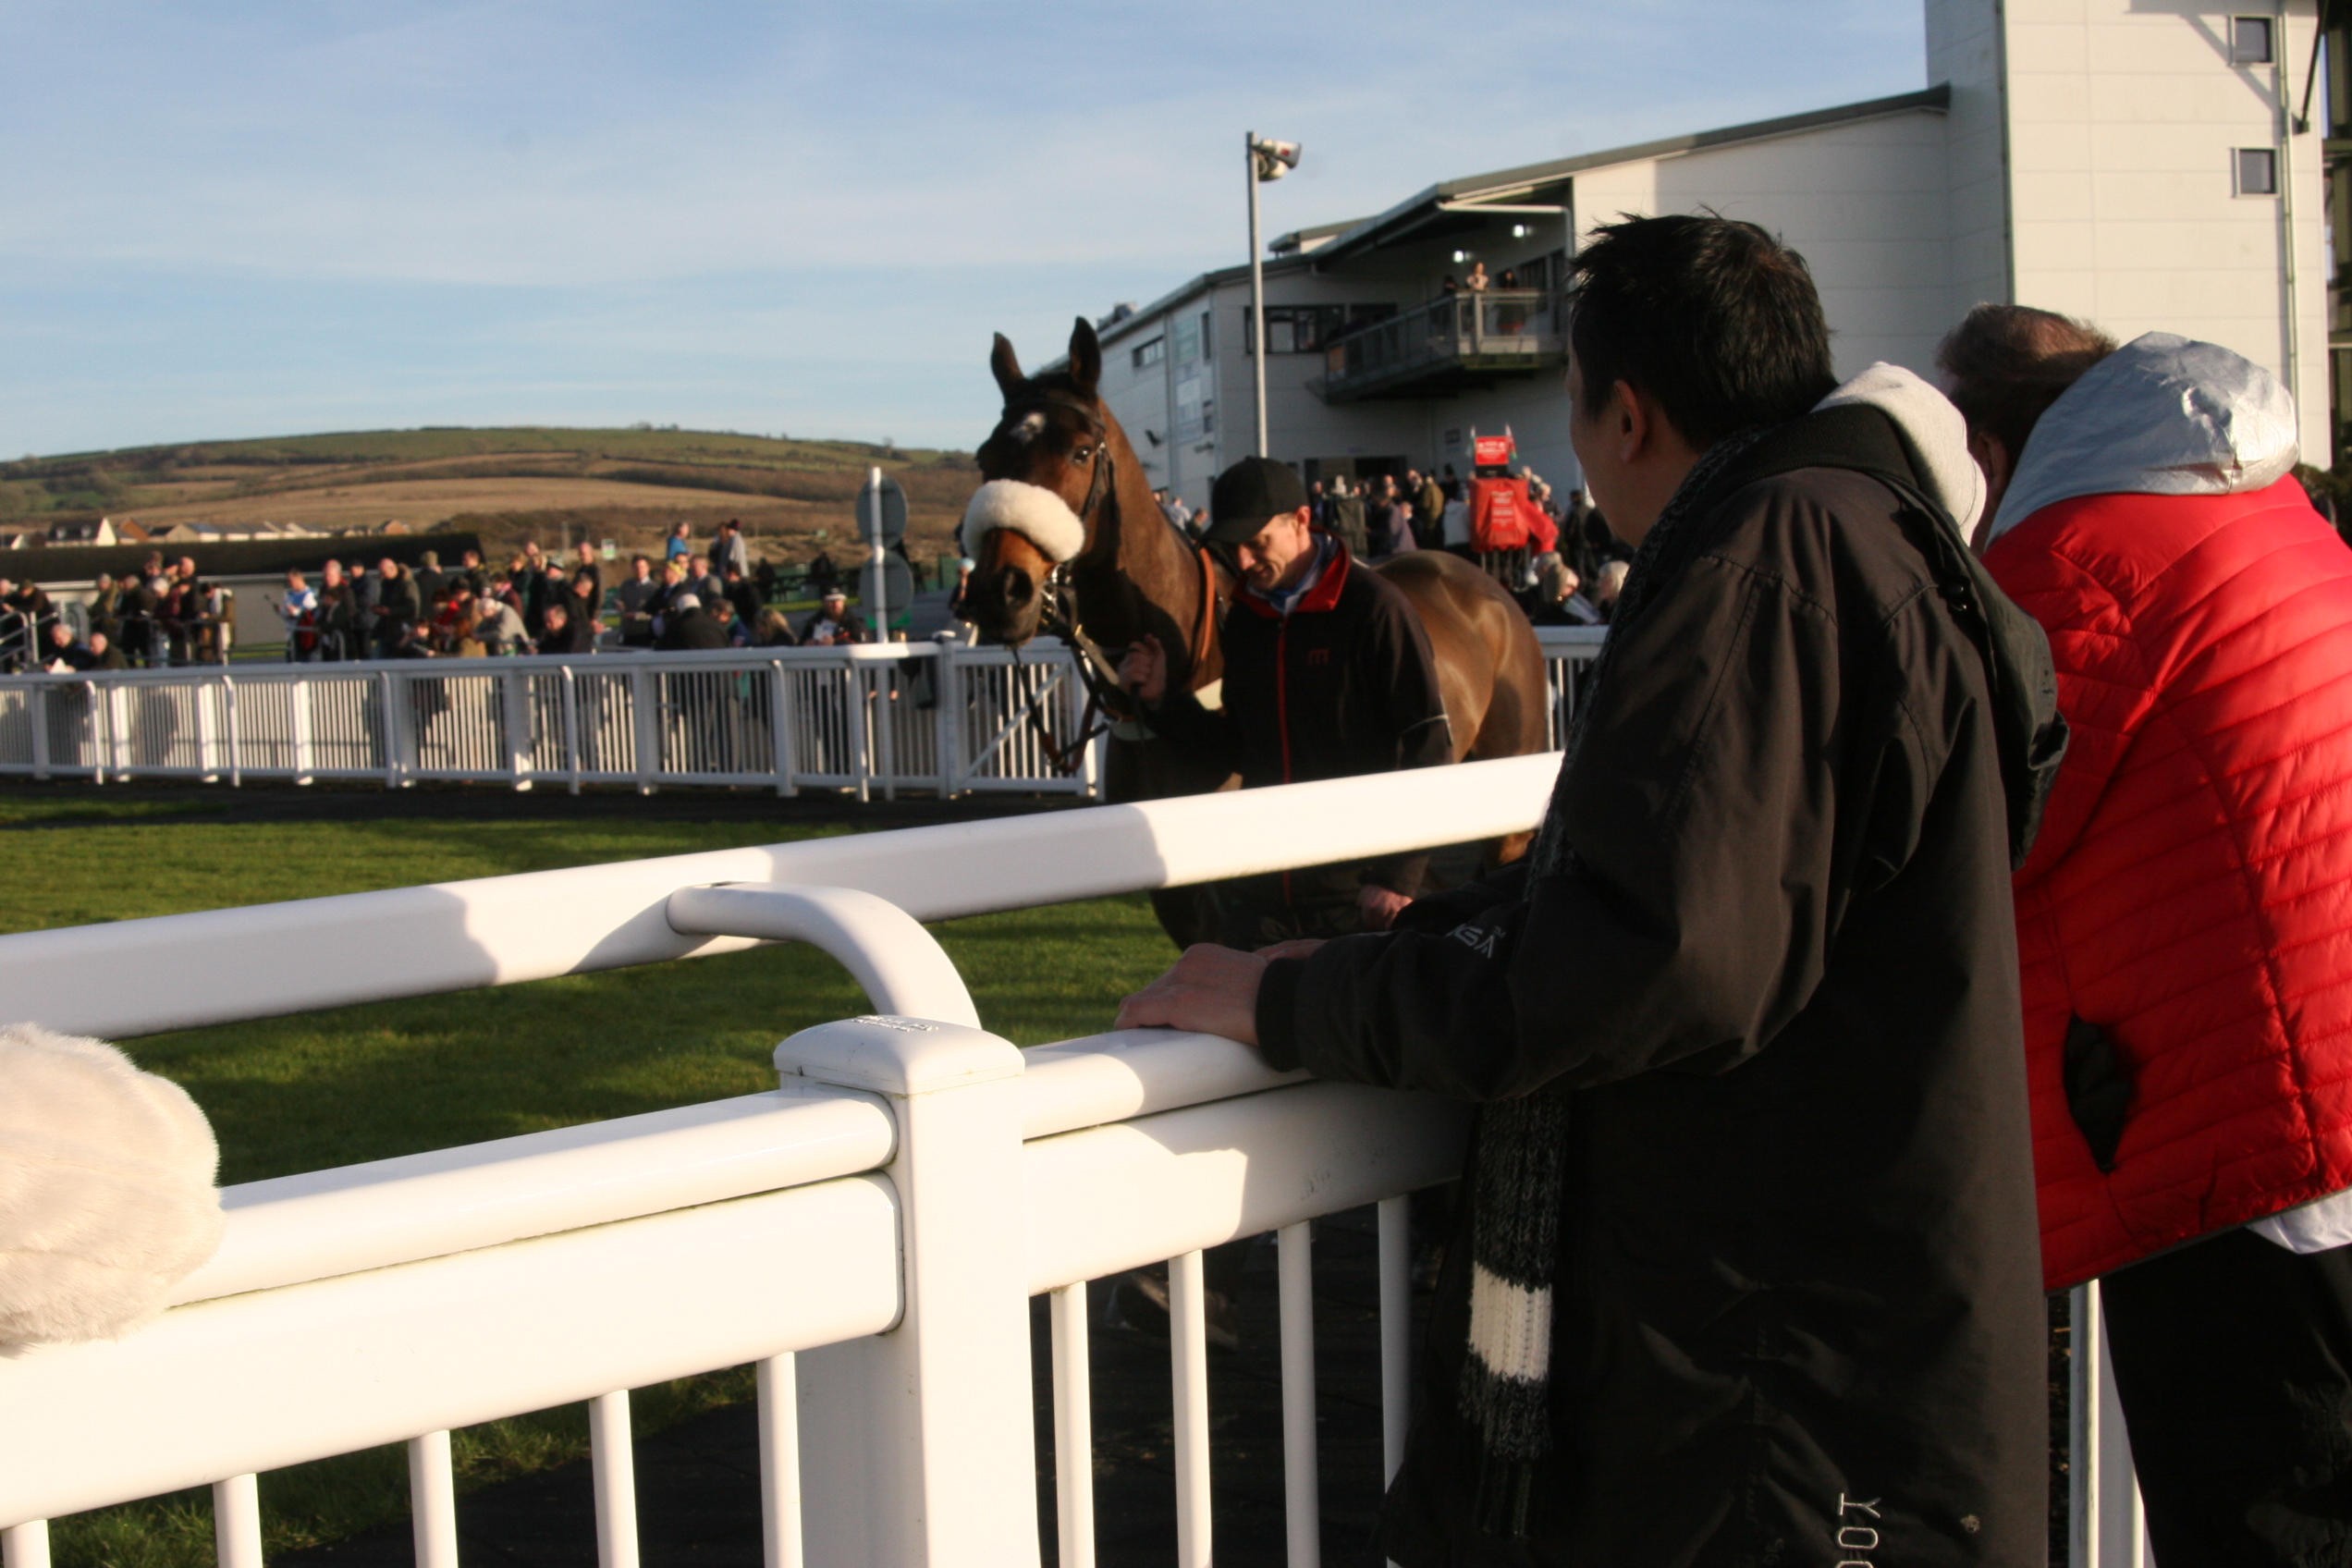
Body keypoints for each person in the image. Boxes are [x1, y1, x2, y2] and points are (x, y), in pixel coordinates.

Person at [1116, 214, 2060, 1566]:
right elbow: (1693, 891)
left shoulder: (1767, 557)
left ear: (1627, 414)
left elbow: (1645, 960)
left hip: (1780, 1396)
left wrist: (1299, 1003)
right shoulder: (1858, 528)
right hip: (1829, 1338)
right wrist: (1427, 933)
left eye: (1570, 403)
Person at [1943, 305, 2352, 1566]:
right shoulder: (2263, 507)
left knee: (2266, 1517)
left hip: (2261, 1151)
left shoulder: (2071, 558)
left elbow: (1973, 827)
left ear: (1989, 452)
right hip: (2316, 1097)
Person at [1118, 456, 1452, 945]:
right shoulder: (1247, 620)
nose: (1244, 562)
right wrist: (1163, 701)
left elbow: (1429, 746)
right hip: (1262, 890)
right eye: (1233, 548)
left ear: (1300, 521)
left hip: (1355, 896)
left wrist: (1397, 877)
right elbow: (1239, 746)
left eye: (1257, 543)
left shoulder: (1376, 608)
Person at [657, 592, 729, 651]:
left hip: (689, 663)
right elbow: (727, 645)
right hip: (718, 662)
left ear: (680, 610)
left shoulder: (676, 627)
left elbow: (661, 648)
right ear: (699, 605)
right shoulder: (716, 625)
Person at [798, 588, 869, 646]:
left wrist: (835, 643)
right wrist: (806, 644)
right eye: (831, 601)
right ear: (823, 603)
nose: (836, 604)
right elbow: (798, 647)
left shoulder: (854, 623)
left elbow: (863, 646)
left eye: (839, 600)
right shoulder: (814, 624)